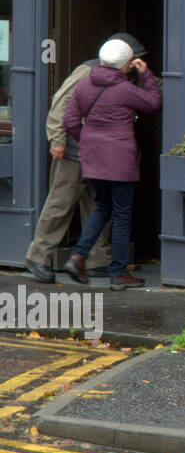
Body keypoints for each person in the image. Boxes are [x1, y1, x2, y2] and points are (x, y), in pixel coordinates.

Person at [21, 35, 146, 282]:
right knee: (61, 201)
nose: (136, 63)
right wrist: (57, 139)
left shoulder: (117, 75)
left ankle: (97, 258)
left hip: (96, 151)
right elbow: (61, 103)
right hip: (75, 148)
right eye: (134, 58)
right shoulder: (87, 71)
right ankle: (38, 256)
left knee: (98, 205)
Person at [61, 38, 161, 289]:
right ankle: (118, 273)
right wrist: (146, 73)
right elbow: (153, 103)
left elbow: (70, 120)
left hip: (93, 157)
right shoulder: (125, 89)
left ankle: (78, 256)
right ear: (127, 64)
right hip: (120, 159)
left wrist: (86, 141)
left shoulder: (84, 85)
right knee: (122, 214)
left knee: (102, 207)